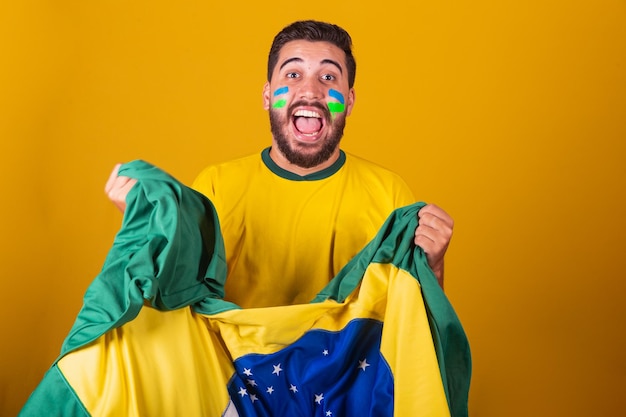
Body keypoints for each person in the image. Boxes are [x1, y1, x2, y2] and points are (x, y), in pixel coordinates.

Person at [105, 20, 454, 309]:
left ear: (349, 102)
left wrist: (434, 265)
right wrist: (148, 225)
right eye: (292, 75)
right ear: (268, 95)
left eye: (328, 78)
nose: (310, 91)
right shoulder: (215, 185)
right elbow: (179, 292)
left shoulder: (390, 193)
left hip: (346, 388)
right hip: (234, 383)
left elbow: (415, 321)